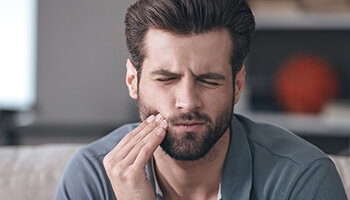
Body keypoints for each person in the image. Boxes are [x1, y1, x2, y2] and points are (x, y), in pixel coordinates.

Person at [55, 0, 347, 199]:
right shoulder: (92, 177)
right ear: (133, 81)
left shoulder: (301, 178)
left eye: (209, 80)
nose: (187, 102)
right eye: (166, 78)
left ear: (237, 84)